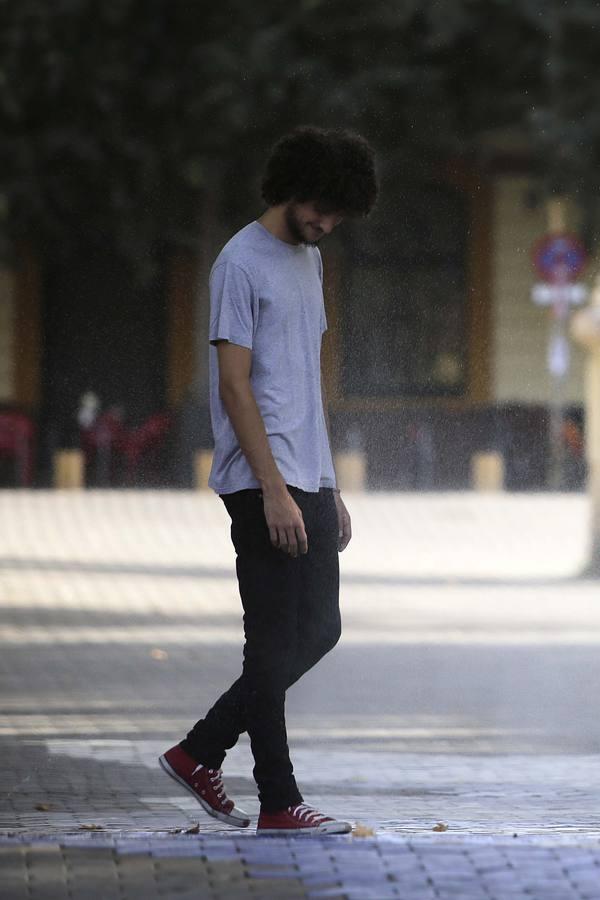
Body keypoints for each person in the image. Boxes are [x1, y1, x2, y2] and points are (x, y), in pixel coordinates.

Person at [159, 127, 377, 835]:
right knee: (273, 643)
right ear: (291, 186)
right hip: (260, 482)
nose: (327, 222)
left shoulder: (308, 260)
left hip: (306, 475)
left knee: (319, 630)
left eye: (340, 215)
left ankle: (200, 751)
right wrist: (276, 487)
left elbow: (305, 384)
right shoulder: (238, 262)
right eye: (322, 207)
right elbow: (234, 385)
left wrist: (329, 481)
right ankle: (278, 801)